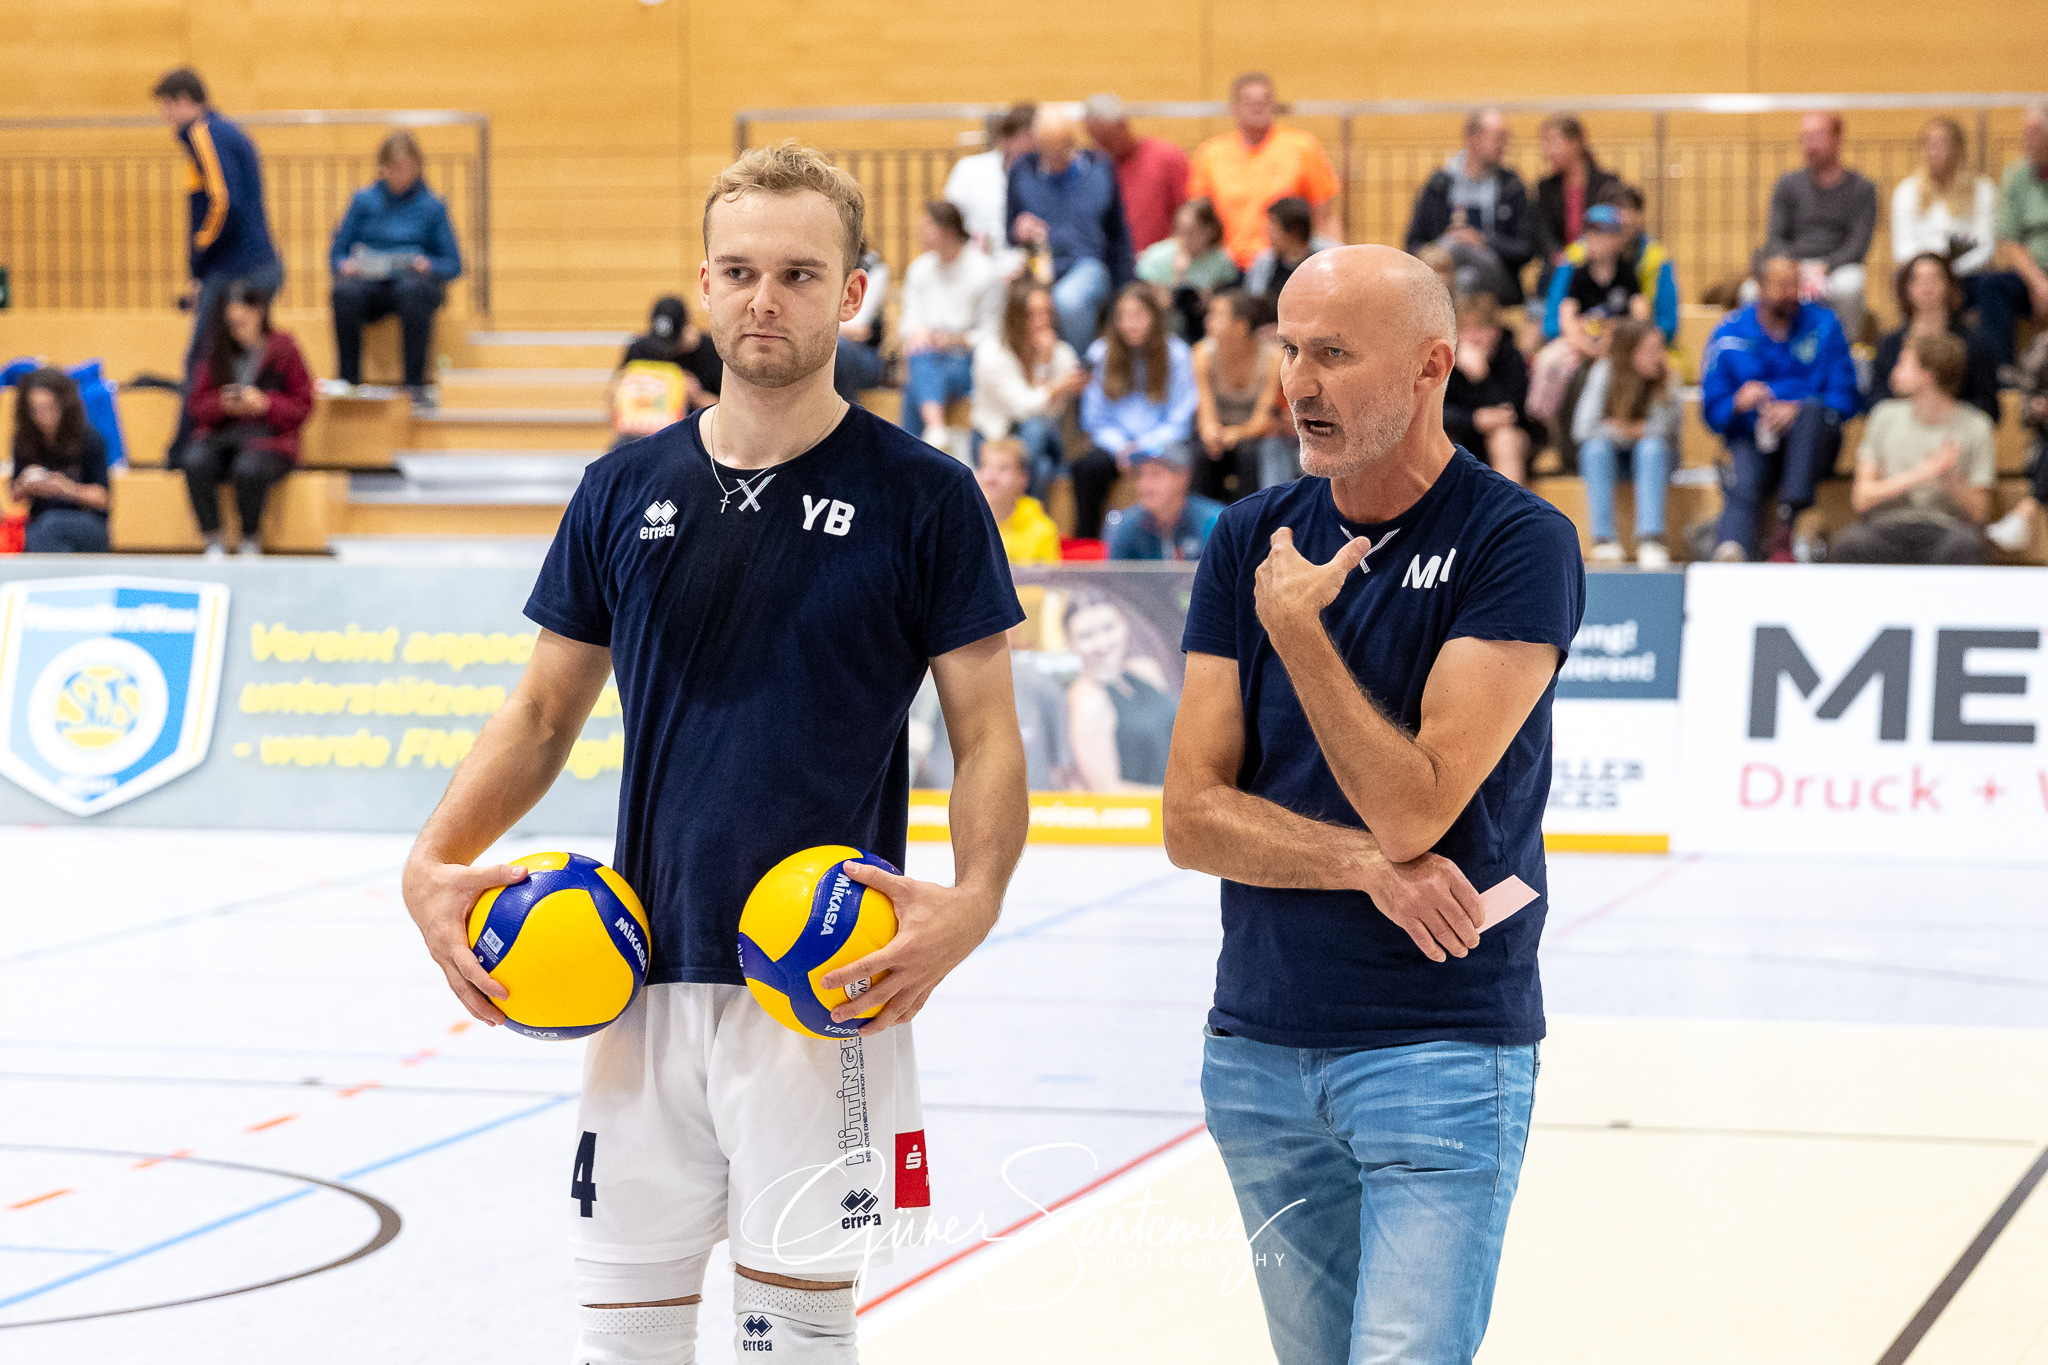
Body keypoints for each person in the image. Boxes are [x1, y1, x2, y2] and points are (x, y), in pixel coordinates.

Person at [402, 142, 1029, 1365]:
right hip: (628, 976)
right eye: (739, 271)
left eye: (798, 273)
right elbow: (539, 717)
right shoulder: (621, 484)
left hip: (822, 981)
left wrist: (979, 902)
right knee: (622, 1344)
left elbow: (985, 733)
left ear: (851, 294)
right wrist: (431, 864)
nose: (764, 299)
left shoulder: (925, 496)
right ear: (703, 283)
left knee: (791, 1344)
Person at [1164, 244, 1583, 1365]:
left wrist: (1298, 632)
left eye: (1334, 353)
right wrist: (1354, 868)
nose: (1298, 381)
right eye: (1291, 349)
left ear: (1428, 367)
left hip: (1436, 1051)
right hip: (1254, 1048)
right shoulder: (1247, 536)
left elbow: (1417, 812)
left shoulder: (1515, 541)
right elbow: (1188, 817)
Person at [152, 67, 283, 462]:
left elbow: (222, 202)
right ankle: (222, 448)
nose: (165, 118)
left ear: (182, 101)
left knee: (203, 357)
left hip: (237, 267)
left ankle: (185, 449)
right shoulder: (223, 131)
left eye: (166, 108)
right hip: (250, 264)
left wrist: (199, 257)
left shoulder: (204, 133)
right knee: (229, 359)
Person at [1701, 254, 1860, 563]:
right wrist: (1736, 403)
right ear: (1759, 286)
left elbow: (1847, 397)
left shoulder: (1825, 327)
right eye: (1781, 286)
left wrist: (1792, 405)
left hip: (1814, 443)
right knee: (1742, 472)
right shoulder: (1728, 334)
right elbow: (1712, 411)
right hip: (1753, 437)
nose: (1791, 294)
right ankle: (1731, 551)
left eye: (1795, 285)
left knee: (1811, 415)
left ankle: (1789, 526)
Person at [1831, 331, 1993, 565]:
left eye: (1904, 363)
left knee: (1968, 546)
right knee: (1849, 543)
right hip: (1887, 528)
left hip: (1944, 529)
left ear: (1928, 375)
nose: (1895, 370)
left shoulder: (1976, 426)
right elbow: (1861, 498)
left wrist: (1953, 483)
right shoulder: (1884, 415)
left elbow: (1981, 513)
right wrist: (1917, 475)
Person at [179, 280, 313, 557]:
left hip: (270, 438)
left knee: (249, 468)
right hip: (223, 434)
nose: (237, 330)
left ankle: (250, 539)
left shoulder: (285, 348)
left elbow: (303, 406)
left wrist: (265, 404)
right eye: (231, 324)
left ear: (260, 313)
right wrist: (224, 405)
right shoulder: (217, 350)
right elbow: (197, 405)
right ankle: (212, 540)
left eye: (242, 322)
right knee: (194, 460)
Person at [328, 130, 463, 402]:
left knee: (414, 291)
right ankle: (349, 382)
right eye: (395, 168)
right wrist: (346, 265)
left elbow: (454, 264)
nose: (401, 174)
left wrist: (429, 264)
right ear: (383, 168)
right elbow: (336, 255)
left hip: (412, 286)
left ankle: (414, 386)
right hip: (370, 284)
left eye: (408, 168)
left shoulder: (433, 206)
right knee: (344, 293)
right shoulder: (363, 201)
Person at [1071, 284, 1199, 539]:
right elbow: (1094, 419)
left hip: (1163, 443)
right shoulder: (1101, 354)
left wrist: (1143, 446)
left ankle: (1188, 542)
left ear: (1154, 316)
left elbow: (1181, 417)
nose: (1130, 324)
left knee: (1192, 463)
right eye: (1123, 317)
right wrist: (1121, 447)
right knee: (1087, 468)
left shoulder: (1177, 353)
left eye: (1138, 315)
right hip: (1116, 446)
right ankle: (1088, 544)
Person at [1007, 106, 1133, 354]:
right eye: (1049, 152)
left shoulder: (1100, 169)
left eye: (1062, 150)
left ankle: (1079, 369)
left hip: (1087, 265)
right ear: (1038, 145)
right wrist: (1019, 230)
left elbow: (1119, 234)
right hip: (1038, 266)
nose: (1056, 160)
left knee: (1068, 301)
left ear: (1073, 142)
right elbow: (1010, 230)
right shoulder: (1022, 172)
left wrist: (1124, 288)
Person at [1187, 72, 1342, 270]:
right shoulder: (1210, 154)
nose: (1258, 105)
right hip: (1227, 266)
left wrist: (1334, 259)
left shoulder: (1303, 147)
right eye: (1249, 101)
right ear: (1234, 107)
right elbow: (1196, 217)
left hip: (1286, 263)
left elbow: (1324, 216)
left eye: (1264, 100)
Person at [1748, 112, 1878, 341]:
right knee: (1750, 291)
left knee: (1850, 285)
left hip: (1836, 267)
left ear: (1838, 139)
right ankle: (1764, 351)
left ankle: (1841, 352)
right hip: (1793, 264)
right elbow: (1776, 237)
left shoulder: (1862, 189)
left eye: (1817, 136)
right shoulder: (1787, 185)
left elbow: (1858, 245)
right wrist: (1793, 270)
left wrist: (1826, 267)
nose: (1810, 146)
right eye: (1805, 138)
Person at [1572, 318, 1679, 567]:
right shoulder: (1604, 372)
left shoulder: (1667, 377)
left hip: (1656, 461)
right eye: (1650, 351)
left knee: (1651, 447)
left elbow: (1665, 430)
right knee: (1595, 449)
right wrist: (1630, 431)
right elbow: (1583, 428)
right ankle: (1603, 539)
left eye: (1659, 349)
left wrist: (1621, 428)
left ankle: (1651, 538)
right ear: (1630, 353)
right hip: (1613, 459)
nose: (1658, 357)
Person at [1404, 108, 1536, 306]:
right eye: (1498, 137)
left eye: (1505, 137)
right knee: (1461, 271)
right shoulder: (1438, 185)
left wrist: (1483, 241)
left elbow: (1525, 249)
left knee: (1464, 270)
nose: (1503, 145)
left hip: (1496, 281)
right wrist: (1446, 242)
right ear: (1473, 137)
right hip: (1446, 271)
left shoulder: (1511, 186)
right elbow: (1413, 244)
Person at [1530, 204, 1645, 428]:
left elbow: (1640, 316)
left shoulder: (1627, 273)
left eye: (1601, 233)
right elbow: (1566, 318)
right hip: (1582, 343)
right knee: (1548, 361)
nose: (1593, 239)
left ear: (1617, 239)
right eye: (1589, 232)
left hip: (1617, 343)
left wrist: (1613, 340)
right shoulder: (1578, 273)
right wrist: (1586, 346)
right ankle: (1543, 426)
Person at [971, 279, 1087, 497]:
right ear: (1014, 317)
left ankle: (1017, 509)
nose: (1042, 321)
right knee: (1042, 468)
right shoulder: (991, 353)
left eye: (1047, 312)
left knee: (1036, 428)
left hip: (1045, 437)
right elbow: (1023, 407)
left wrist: (1046, 363)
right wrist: (1048, 374)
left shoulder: (1061, 354)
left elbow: (1050, 414)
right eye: (1032, 314)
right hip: (993, 436)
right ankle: (1023, 513)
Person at [897, 201, 1000, 446]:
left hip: (966, 360)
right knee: (919, 358)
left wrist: (953, 340)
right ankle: (935, 429)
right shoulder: (919, 269)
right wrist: (920, 334)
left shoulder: (984, 272)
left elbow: (992, 333)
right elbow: (909, 319)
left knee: (915, 389)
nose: (920, 234)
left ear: (949, 231)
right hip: (928, 354)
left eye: (927, 227)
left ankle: (912, 457)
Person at [1869, 253, 2001, 423]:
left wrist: (1940, 408)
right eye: (1918, 278)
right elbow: (1875, 401)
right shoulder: (1890, 345)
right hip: (1902, 430)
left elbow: (1989, 407)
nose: (1926, 285)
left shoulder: (1973, 344)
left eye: (1935, 277)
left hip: (1954, 433)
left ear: (1949, 285)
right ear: (1906, 288)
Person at [1065, 590, 1176, 789]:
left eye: (1108, 628)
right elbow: (1107, 792)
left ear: (1124, 624)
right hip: (1146, 814)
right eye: (1086, 636)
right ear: (1069, 643)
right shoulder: (1088, 701)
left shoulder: (1146, 671)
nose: (1101, 643)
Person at [1976, 100, 2048, 370]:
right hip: (2033, 277)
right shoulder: (2016, 175)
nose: (2026, 140)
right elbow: (2011, 241)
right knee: (1991, 287)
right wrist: (2039, 283)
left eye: (2035, 133)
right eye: (2025, 133)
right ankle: (2001, 372)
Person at [1192, 289, 1283, 503]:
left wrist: (1235, 433)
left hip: (1253, 434)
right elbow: (1205, 409)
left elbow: (1263, 418)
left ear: (1240, 326)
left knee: (1249, 456)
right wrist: (1212, 433)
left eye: (1216, 315)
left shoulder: (1273, 359)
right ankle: (1204, 524)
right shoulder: (1202, 353)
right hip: (1218, 429)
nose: (1208, 321)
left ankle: (1250, 522)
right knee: (1202, 454)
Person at [1444, 291, 1540, 487]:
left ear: (1496, 330)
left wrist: (1481, 377)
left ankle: (1509, 514)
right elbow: (1435, 414)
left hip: (1510, 438)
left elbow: (1511, 413)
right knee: (1438, 443)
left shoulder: (1511, 357)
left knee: (1504, 439)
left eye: (1481, 328)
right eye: (1466, 330)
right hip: (1463, 434)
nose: (1474, 338)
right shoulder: (1445, 362)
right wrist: (1473, 420)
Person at [9, 369, 110, 553]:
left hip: (86, 520)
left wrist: (65, 489)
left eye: (49, 408)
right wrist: (25, 483)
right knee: (42, 531)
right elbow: (15, 496)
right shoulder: (24, 439)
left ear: (64, 406)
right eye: (35, 410)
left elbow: (104, 498)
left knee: (49, 527)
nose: (42, 416)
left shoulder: (89, 438)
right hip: (40, 524)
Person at [1083, 93, 1190, 252]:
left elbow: (1188, 216)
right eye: (1096, 140)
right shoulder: (1094, 167)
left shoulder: (1166, 157)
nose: (1102, 148)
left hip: (1161, 265)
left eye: (1106, 139)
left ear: (1123, 125)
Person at [1891, 117, 1997, 277]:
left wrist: (1950, 273)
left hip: (1968, 274)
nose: (1934, 151)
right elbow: (1902, 248)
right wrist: (1931, 272)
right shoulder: (1907, 190)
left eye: (1942, 144)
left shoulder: (1982, 189)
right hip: (1921, 275)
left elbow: (1985, 246)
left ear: (1958, 148)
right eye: (1929, 144)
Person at [610, 295, 721, 447]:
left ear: (687, 331)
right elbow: (613, 397)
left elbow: (731, 414)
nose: (666, 352)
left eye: (673, 345)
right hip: (643, 434)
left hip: (694, 436)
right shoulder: (640, 350)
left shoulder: (711, 352)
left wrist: (697, 396)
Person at [1135, 197, 1242, 341]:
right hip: (1165, 327)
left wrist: (1211, 299)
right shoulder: (1157, 257)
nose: (1184, 238)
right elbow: (1140, 296)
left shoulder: (1222, 261)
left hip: (1204, 327)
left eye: (1191, 231)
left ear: (1208, 231)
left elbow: (1228, 300)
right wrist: (1175, 280)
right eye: (1180, 230)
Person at [1534, 114, 1619, 292]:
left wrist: (1588, 251)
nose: (1546, 152)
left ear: (1575, 143)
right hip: (1559, 266)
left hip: (1598, 261)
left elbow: (1612, 227)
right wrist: (1555, 253)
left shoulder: (1607, 184)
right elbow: (1541, 230)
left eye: (1552, 142)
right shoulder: (1546, 188)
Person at [946, 102, 1036, 260]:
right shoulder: (968, 170)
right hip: (976, 264)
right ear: (1007, 138)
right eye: (1028, 137)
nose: (1033, 146)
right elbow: (949, 223)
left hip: (1026, 265)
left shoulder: (1044, 177)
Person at [1986, 329, 2048, 552]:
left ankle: (2024, 513)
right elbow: (2025, 406)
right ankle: (2024, 513)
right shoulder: (2044, 346)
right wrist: (2037, 408)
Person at [1106, 446, 1223, 561]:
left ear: (1183, 476)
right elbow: (1116, 579)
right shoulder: (1125, 526)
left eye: (1155, 474)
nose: (1144, 485)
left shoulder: (1214, 523)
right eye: (1140, 474)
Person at [1599, 183, 1681, 345]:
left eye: (1633, 209)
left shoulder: (1657, 258)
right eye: (1618, 208)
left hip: (1641, 342)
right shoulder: (1577, 256)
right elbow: (1553, 322)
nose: (1626, 217)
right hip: (1586, 340)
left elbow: (1667, 325)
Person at [976, 437, 1063, 566]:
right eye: (985, 466)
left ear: (1022, 478)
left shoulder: (1043, 530)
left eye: (1003, 468)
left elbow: (1048, 583)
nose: (991, 476)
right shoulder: (964, 522)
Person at [1243, 197, 1339, 305]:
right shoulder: (1263, 263)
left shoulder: (1330, 258)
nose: (1267, 232)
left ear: (1293, 231)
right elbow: (1254, 304)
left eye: (1273, 226)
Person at [831, 246, 889, 403]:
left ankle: (844, 423)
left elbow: (859, 330)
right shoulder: (824, 267)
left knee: (837, 351)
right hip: (835, 347)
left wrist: (819, 328)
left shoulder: (873, 269)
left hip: (866, 358)